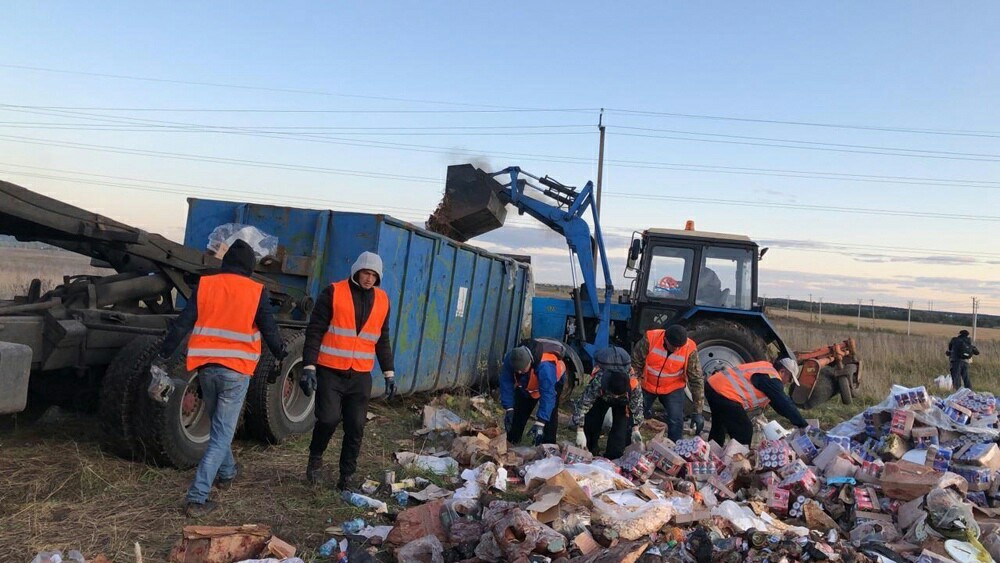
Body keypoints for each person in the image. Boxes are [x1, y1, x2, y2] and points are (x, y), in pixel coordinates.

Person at [153, 239, 286, 517]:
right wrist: (281, 354)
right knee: (221, 436)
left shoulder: (205, 285)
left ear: (225, 264)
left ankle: (227, 472)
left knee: (218, 428)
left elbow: (182, 324)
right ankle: (197, 497)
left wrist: (164, 354)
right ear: (249, 267)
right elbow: (269, 329)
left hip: (206, 368)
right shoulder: (255, 291)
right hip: (236, 371)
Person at [299, 251, 396, 491]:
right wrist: (309, 366)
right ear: (356, 271)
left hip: (361, 374)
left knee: (355, 425)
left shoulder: (383, 300)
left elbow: (382, 340)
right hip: (330, 370)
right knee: (329, 419)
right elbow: (315, 330)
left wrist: (389, 372)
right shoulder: (333, 292)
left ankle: (347, 476)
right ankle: (315, 459)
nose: (369, 279)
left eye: (374, 275)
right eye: (365, 273)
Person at [705, 358, 808, 445]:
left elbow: (778, 405)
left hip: (713, 385)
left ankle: (713, 454)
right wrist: (803, 424)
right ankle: (738, 462)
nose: (788, 383)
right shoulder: (772, 379)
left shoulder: (766, 370)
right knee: (744, 430)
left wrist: (795, 420)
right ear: (782, 372)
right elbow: (784, 404)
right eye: (789, 379)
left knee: (719, 426)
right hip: (724, 392)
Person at [631, 324, 703, 441]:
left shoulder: (689, 349)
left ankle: (675, 449)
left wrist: (698, 411)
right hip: (647, 385)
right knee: (634, 415)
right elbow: (635, 365)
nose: (677, 350)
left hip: (673, 388)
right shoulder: (651, 339)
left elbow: (696, 379)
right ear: (665, 339)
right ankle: (626, 445)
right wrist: (635, 388)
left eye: (679, 347)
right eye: (673, 346)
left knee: (676, 420)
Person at [572, 346, 644, 460]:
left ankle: (613, 457)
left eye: (617, 395)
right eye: (614, 394)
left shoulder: (634, 385)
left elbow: (637, 407)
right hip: (601, 398)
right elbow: (583, 405)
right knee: (592, 421)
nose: (615, 397)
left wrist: (636, 428)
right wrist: (579, 430)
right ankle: (589, 450)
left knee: (620, 429)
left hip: (623, 403)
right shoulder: (599, 381)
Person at [500, 338, 568, 445]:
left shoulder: (545, 367)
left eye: (522, 370)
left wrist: (540, 422)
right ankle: (512, 441)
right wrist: (509, 408)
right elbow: (506, 382)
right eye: (517, 370)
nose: (519, 372)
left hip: (553, 382)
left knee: (550, 414)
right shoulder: (511, 358)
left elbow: (548, 395)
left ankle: (548, 445)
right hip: (528, 384)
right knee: (519, 411)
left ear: (530, 362)